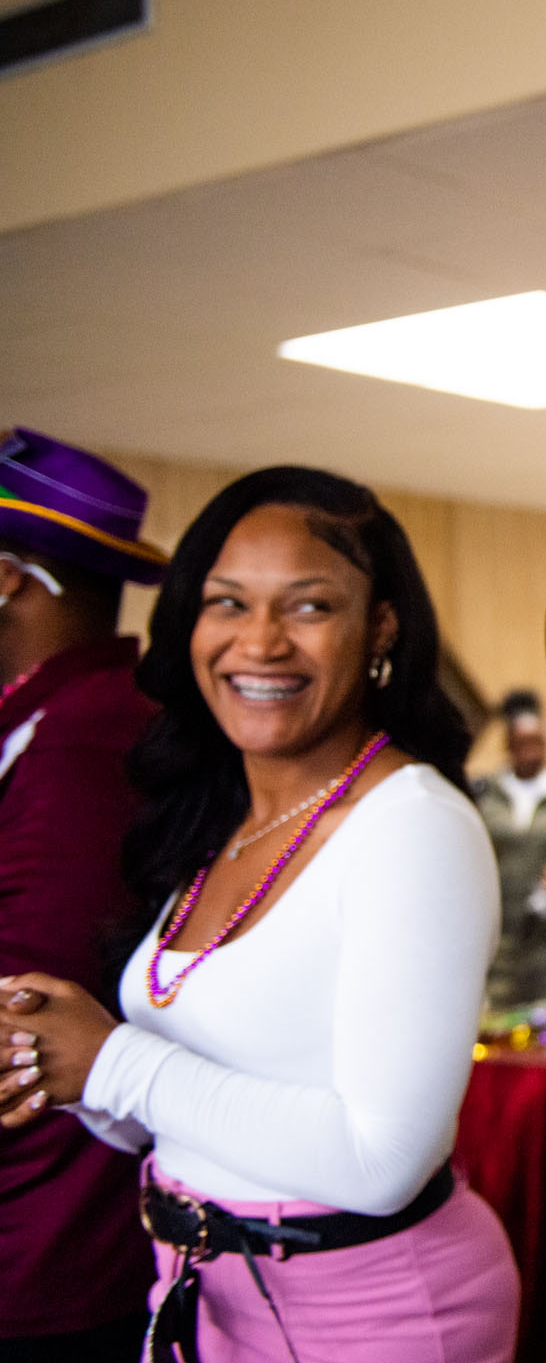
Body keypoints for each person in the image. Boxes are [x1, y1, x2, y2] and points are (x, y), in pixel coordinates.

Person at [0, 467, 519, 1362]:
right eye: (228, 604)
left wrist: (113, 1060)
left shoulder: (414, 825)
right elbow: (174, 1110)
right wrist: (64, 1063)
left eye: (309, 607)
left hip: (371, 1313)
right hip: (204, 1291)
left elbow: (382, 1160)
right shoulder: (217, 818)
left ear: (380, 628)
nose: (261, 642)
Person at [0, 429, 162, 1362]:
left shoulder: (81, 739)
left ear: (10, 578)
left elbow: (24, 1011)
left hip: (40, 1239)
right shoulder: (54, 722)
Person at [473, 689, 546, 1007]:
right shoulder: (485, 792)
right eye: (522, 743)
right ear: (508, 744)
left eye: (537, 742)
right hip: (502, 929)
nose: (530, 752)